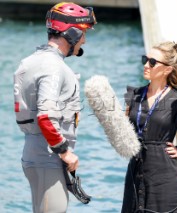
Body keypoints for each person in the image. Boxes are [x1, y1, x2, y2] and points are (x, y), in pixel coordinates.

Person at [13, 2, 96, 212]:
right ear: (72, 32)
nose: (84, 39)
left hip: (37, 154)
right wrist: (65, 152)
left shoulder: (33, 60)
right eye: (84, 32)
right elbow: (46, 117)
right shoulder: (53, 66)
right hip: (48, 157)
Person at [121, 41, 177, 213]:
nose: (146, 65)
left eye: (152, 62)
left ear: (168, 69)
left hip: (166, 177)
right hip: (136, 173)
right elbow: (123, 130)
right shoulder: (134, 95)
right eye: (145, 60)